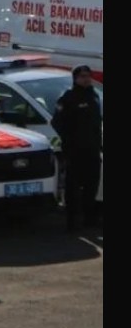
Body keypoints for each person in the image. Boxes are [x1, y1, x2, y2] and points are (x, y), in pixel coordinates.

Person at [52, 65, 103, 232]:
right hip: (75, 151)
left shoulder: (93, 95)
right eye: (82, 76)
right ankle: (72, 221)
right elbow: (57, 122)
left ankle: (89, 218)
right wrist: (70, 140)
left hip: (92, 149)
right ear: (75, 78)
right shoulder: (68, 97)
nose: (86, 79)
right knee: (73, 186)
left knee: (91, 185)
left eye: (88, 75)